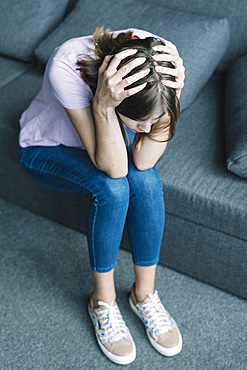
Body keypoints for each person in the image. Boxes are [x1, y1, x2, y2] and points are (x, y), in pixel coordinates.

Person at [18, 26, 185, 365]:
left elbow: (142, 159)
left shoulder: (162, 60)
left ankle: (144, 295)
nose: (146, 132)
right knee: (113, 188)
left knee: (148, 181)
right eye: (139, 124)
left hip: (111, 143)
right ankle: (102, 301)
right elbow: (113, 168)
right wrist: (104, 106)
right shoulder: (67, 64)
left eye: (154, 124)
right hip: (46, 146)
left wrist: (174, 94)